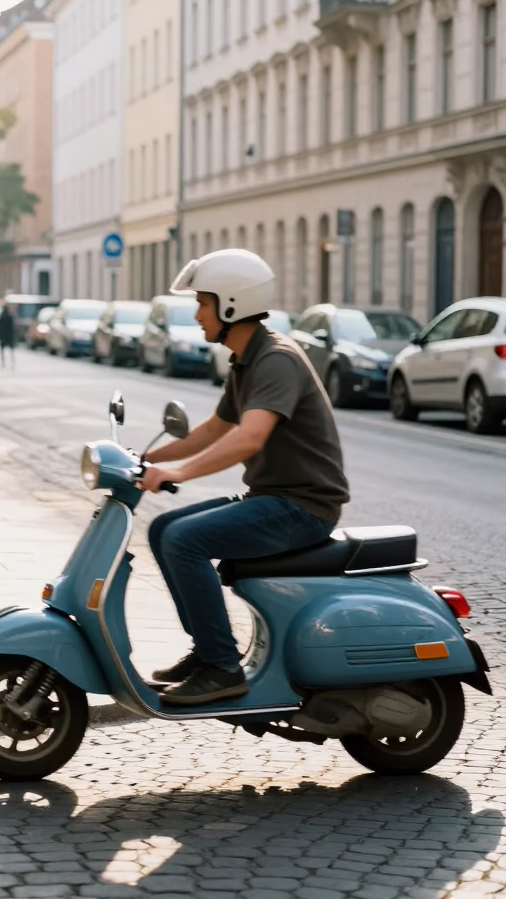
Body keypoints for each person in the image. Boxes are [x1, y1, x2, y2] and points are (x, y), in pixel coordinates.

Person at [140, 249, 349, 706]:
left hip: (302, 508)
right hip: (274, 497)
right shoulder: (246, 360)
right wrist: (144, 458)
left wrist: (177, 472)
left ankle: (221, 667)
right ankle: (208, 651)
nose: (196, 315)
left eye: (202, 303)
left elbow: (249, 438)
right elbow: (215, 430)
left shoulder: (275, 360)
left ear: (231, 304)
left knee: (184, 541)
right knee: (162, 529)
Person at [0, 303, 16, 369]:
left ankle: (3, 363)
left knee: (2, 350)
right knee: (11, 350)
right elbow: (13, 326)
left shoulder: (2, 316)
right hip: (9, 335)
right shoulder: (10, 316)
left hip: (3, 335)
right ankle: (12, 362)